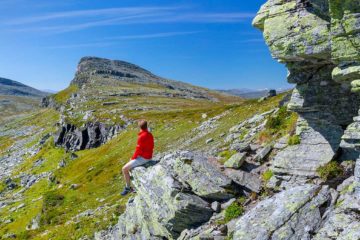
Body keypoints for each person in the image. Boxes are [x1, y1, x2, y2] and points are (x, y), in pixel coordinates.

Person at [121, 120, 154, 196]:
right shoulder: (149, 134)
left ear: (139, 127)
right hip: (148, 156)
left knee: (124, 169)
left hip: (144, 158)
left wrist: (133, 158)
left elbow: (138, 150)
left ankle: (128, 187)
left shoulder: (141, 137)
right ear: (146, 126)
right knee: (129, 164)